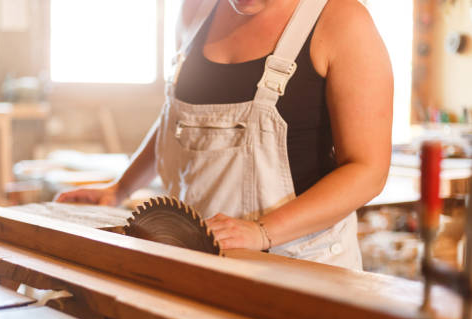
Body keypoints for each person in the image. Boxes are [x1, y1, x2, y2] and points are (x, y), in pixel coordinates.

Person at [55, 0, 393, 271]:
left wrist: (262, 231)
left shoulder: (343, 22)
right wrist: (121, 188)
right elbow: (177, 118)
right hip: (195, 260)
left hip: (300, 268)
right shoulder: (195, 11)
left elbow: (367, 170)